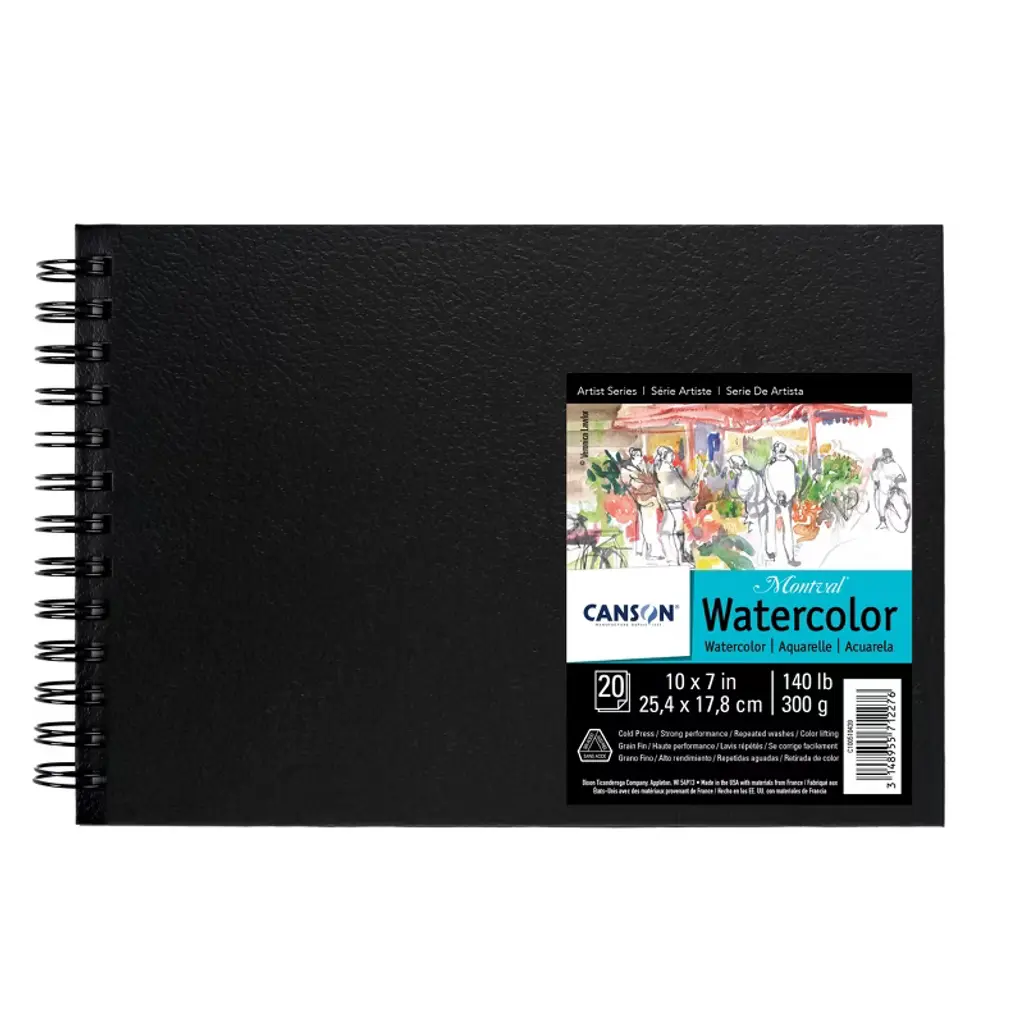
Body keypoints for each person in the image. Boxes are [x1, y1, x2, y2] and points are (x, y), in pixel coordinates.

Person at [654, 446, 695, 564]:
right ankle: (675, 557)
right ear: (664, 456)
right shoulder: (666, 470)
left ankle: (676, 557)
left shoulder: (668, 468)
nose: (672, 457)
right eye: (670, 455)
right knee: (670, 531)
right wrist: (688, 492)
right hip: (672, 502)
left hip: (673, 502)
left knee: (671, 530)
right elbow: (675, 487)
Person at [621, 447, 664, 560]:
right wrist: (648, 485)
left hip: (648, 500)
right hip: (640, 501)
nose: (640, 457)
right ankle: (651, 551)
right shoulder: (627, 470)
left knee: (650, 525)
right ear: (632, 456)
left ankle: (653, 551)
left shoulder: (644, 466)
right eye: (637, 455)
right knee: (646, 526)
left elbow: (651, 481)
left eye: (640, 455)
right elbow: (636, 485)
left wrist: (647, 484)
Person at [764, 441, 800, 566]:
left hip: (773, 498)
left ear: (775, 451)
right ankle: (790, 557)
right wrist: (787, 498)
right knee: (787, 527)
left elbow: (768, 483)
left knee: (771, 524)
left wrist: (775, 498)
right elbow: (792, 484)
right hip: (784, 499)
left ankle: (771, 552)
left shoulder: (770, 465)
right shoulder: (790, 463)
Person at [729, 453, 769, 561]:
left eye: (733, 467)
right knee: (763, 533)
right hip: (762, 506)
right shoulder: (753, 473)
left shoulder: (744, 478)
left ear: (737, 466)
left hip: (754, 508)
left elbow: (742, 494)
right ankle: (762, 555)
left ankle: (757, 559)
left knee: (755, 534)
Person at [871, 448, 907, 529]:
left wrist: (894, 479)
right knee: (878, 502)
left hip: (887, 487)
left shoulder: (890, 464)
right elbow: (875, 474)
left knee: (879, 503)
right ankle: (884, 519)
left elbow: (903, 478)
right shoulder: (883, 463)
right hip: (887, 485)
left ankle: (883, 522)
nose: (886, 458)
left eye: (886, 456)